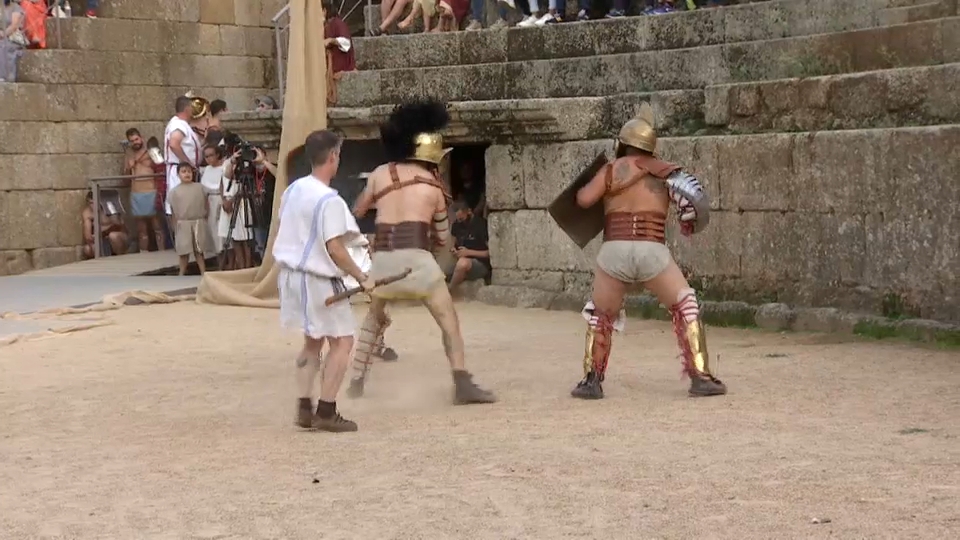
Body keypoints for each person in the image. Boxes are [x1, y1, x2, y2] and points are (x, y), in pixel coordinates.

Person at [567, 102, 726, 400]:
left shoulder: (612, 170)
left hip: (614, 252)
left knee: (601, 315)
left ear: (623, 144)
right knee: (685, 304)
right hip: (652, 252)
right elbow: (695, 207)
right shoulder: (666, 173)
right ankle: (700, 375)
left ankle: (592, 380)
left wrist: (583, 187)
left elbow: (584, 200)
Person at [348, 99, 496, 405]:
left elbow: (358, 209)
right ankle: (461, 382)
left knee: (373, 320)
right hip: (417, 262)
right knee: (448, 320)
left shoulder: (378, 174)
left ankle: (356, 382)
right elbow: (442, 238)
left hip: (384, 263)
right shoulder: (433, 186)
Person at [272, 130, 368, 433]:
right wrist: (362, 276)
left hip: (291, 276)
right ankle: (326, 410)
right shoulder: (330, 200)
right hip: (318, 279)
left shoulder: (293, 190)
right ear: (332, 157)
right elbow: (335, 248)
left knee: (313, 340)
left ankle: (304, 407)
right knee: (342, 341)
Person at [163, 96, 205, 229]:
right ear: (187, 109)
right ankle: (181, 238)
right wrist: (187, 163)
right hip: (180, 170)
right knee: (179, 206)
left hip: (182, 169)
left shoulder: (180, 124)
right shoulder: (178, 124)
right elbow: (174, 144)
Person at [168, 163, 213, 275]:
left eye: (189, 171)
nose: (187, 174)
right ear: (178, 174)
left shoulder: (200, 187)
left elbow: (207, 202)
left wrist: (206, 215)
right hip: (183, 224)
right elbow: (173, 211)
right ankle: (181, 272)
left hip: (198, 222)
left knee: (199, 251)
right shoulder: (174, 192)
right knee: (183, 252)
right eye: (183, 171)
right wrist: (175, 226)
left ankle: (203, 272)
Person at [124, 128, 164, 253]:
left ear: (141, 138)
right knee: (141, 229)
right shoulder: (128, 155)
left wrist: (149, 164)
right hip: (136, 192)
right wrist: (128, 167)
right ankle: (143, 255)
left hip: (151, 190)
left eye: (136, 139)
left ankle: (162, 253)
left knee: (157, 226)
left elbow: (162, 168)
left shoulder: (151, 151)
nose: (135, 142)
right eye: (132, 141)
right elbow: (125, 180)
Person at [446, 201, 490, 291]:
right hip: (460, 263)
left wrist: (468, 252)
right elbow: (453, 244)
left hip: (480, 264)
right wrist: (454, 250)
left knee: (463, 263)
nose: (460, 222)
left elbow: (490, 253)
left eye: (462, 219)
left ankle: (450, 291)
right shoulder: (456, 225)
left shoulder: (481, 225)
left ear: (469, 211)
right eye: (458, 219)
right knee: (443, 273)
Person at [322, 0, 355, 106]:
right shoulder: (323, 26)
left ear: (324, 11)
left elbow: (346, 43)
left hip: (338, 64)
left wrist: (332, 40)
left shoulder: (338, 23)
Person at [81, 191, 128, 259]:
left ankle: (120, 258)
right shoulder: (87, 213)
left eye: (94, 203)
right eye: (90, 203)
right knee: (87, 249)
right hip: (101, 240)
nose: (92, 206)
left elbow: (119, 226)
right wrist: (91, 240)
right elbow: (88, 235)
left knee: (113, 236)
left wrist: (103, 231)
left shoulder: (109, 208)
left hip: (118, 237)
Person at [0, 0, 25, 83]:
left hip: (12, 37)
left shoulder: (16, 8)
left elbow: (14, 26)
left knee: (3, 46)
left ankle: (4, 76)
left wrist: (3, 34)